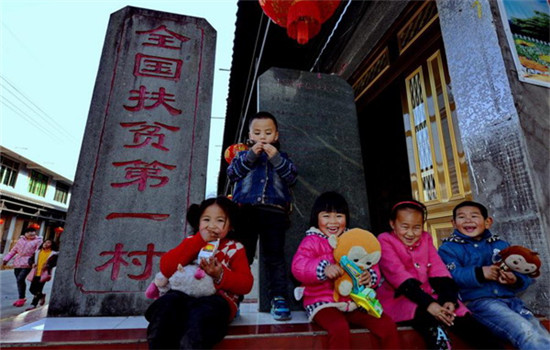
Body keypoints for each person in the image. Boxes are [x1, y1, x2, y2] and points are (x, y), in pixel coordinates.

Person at [377, 200, 503, 349]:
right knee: (427, 319)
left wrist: (448, 299)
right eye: (405, 227)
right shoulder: (385, 240)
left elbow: (438, 269)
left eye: (417, 227)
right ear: (393, 224)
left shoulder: (425, 238)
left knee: (464, 319)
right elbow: (398, 276)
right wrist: (430, 305)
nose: (411, 233)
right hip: (399, 299)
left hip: (431, 296)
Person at [291, 192, 401, 349]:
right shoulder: (312, 240)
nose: (333, 222)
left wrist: (370, 276)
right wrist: (323, 268)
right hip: (323, 302)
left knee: (386, 324)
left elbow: (372, 262)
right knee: (339, 328)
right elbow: (299, 266)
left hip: (354, 301)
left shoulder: (354, 238)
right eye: (326, 216)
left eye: (339, 216)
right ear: (317, 217)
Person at [438, 200, 550, 350]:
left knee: (541, 334)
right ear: (453, 223)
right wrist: (480, 273)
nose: (468, 220)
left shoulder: (501, 246)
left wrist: (514, 279)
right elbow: (450, 276)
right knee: (525, 332)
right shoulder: (449, 248)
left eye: (474, 216)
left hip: (513, 302)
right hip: (481, 303)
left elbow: (524, 273)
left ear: (487, 222)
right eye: (462, 217)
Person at [145, 196, 253, 350]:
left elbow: (246, 284)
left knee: (200, 319)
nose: (212, 226)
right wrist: (198, 241)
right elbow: (167, 267)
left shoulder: (235, 248)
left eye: (220, 221)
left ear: (231, 226)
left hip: (217, 299)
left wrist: (220, 275)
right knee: (166, 306)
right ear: (198, 222)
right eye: (206, 220)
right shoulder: (191, 241)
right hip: (182, 295)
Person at [227, 111, 297, 321]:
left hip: (274, 213)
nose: (262, 137)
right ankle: (233, 297)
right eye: (257, 133)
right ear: (249, 135)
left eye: (267, 132)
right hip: (246, 212)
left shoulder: (282, 157)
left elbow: (291, 177)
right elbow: (233, 174)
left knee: (274, 258)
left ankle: (279, 298)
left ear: (276, 136)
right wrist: (250, 156)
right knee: (242, 256)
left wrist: (275, 157)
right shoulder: (242, 156)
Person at [2, 227, 43, 307]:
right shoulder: (21, 240)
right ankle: (25, 297)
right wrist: (6, 259)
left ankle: (22, 298)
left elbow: (38, 252)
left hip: (29, 262)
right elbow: (14, 250)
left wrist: (35, 262)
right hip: (18, 262)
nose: (31, 233)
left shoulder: (38, 241)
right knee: (19, 280)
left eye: (33, 231)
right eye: (28, 232)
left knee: (20, 279)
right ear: (25, 233)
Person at [25, 239, 58, 311]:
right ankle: (41, 296)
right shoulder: (38, 252)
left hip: (44, 274)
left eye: (48, 242)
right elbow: (30, 259)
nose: (46, 244)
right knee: (32, 289)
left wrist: (48, 265)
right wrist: (32, 264)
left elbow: (55, 263)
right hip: (35, 273)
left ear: (52, 245)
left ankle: (33, 304)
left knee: (38, 289)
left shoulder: (53, 254)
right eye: (45, 242)